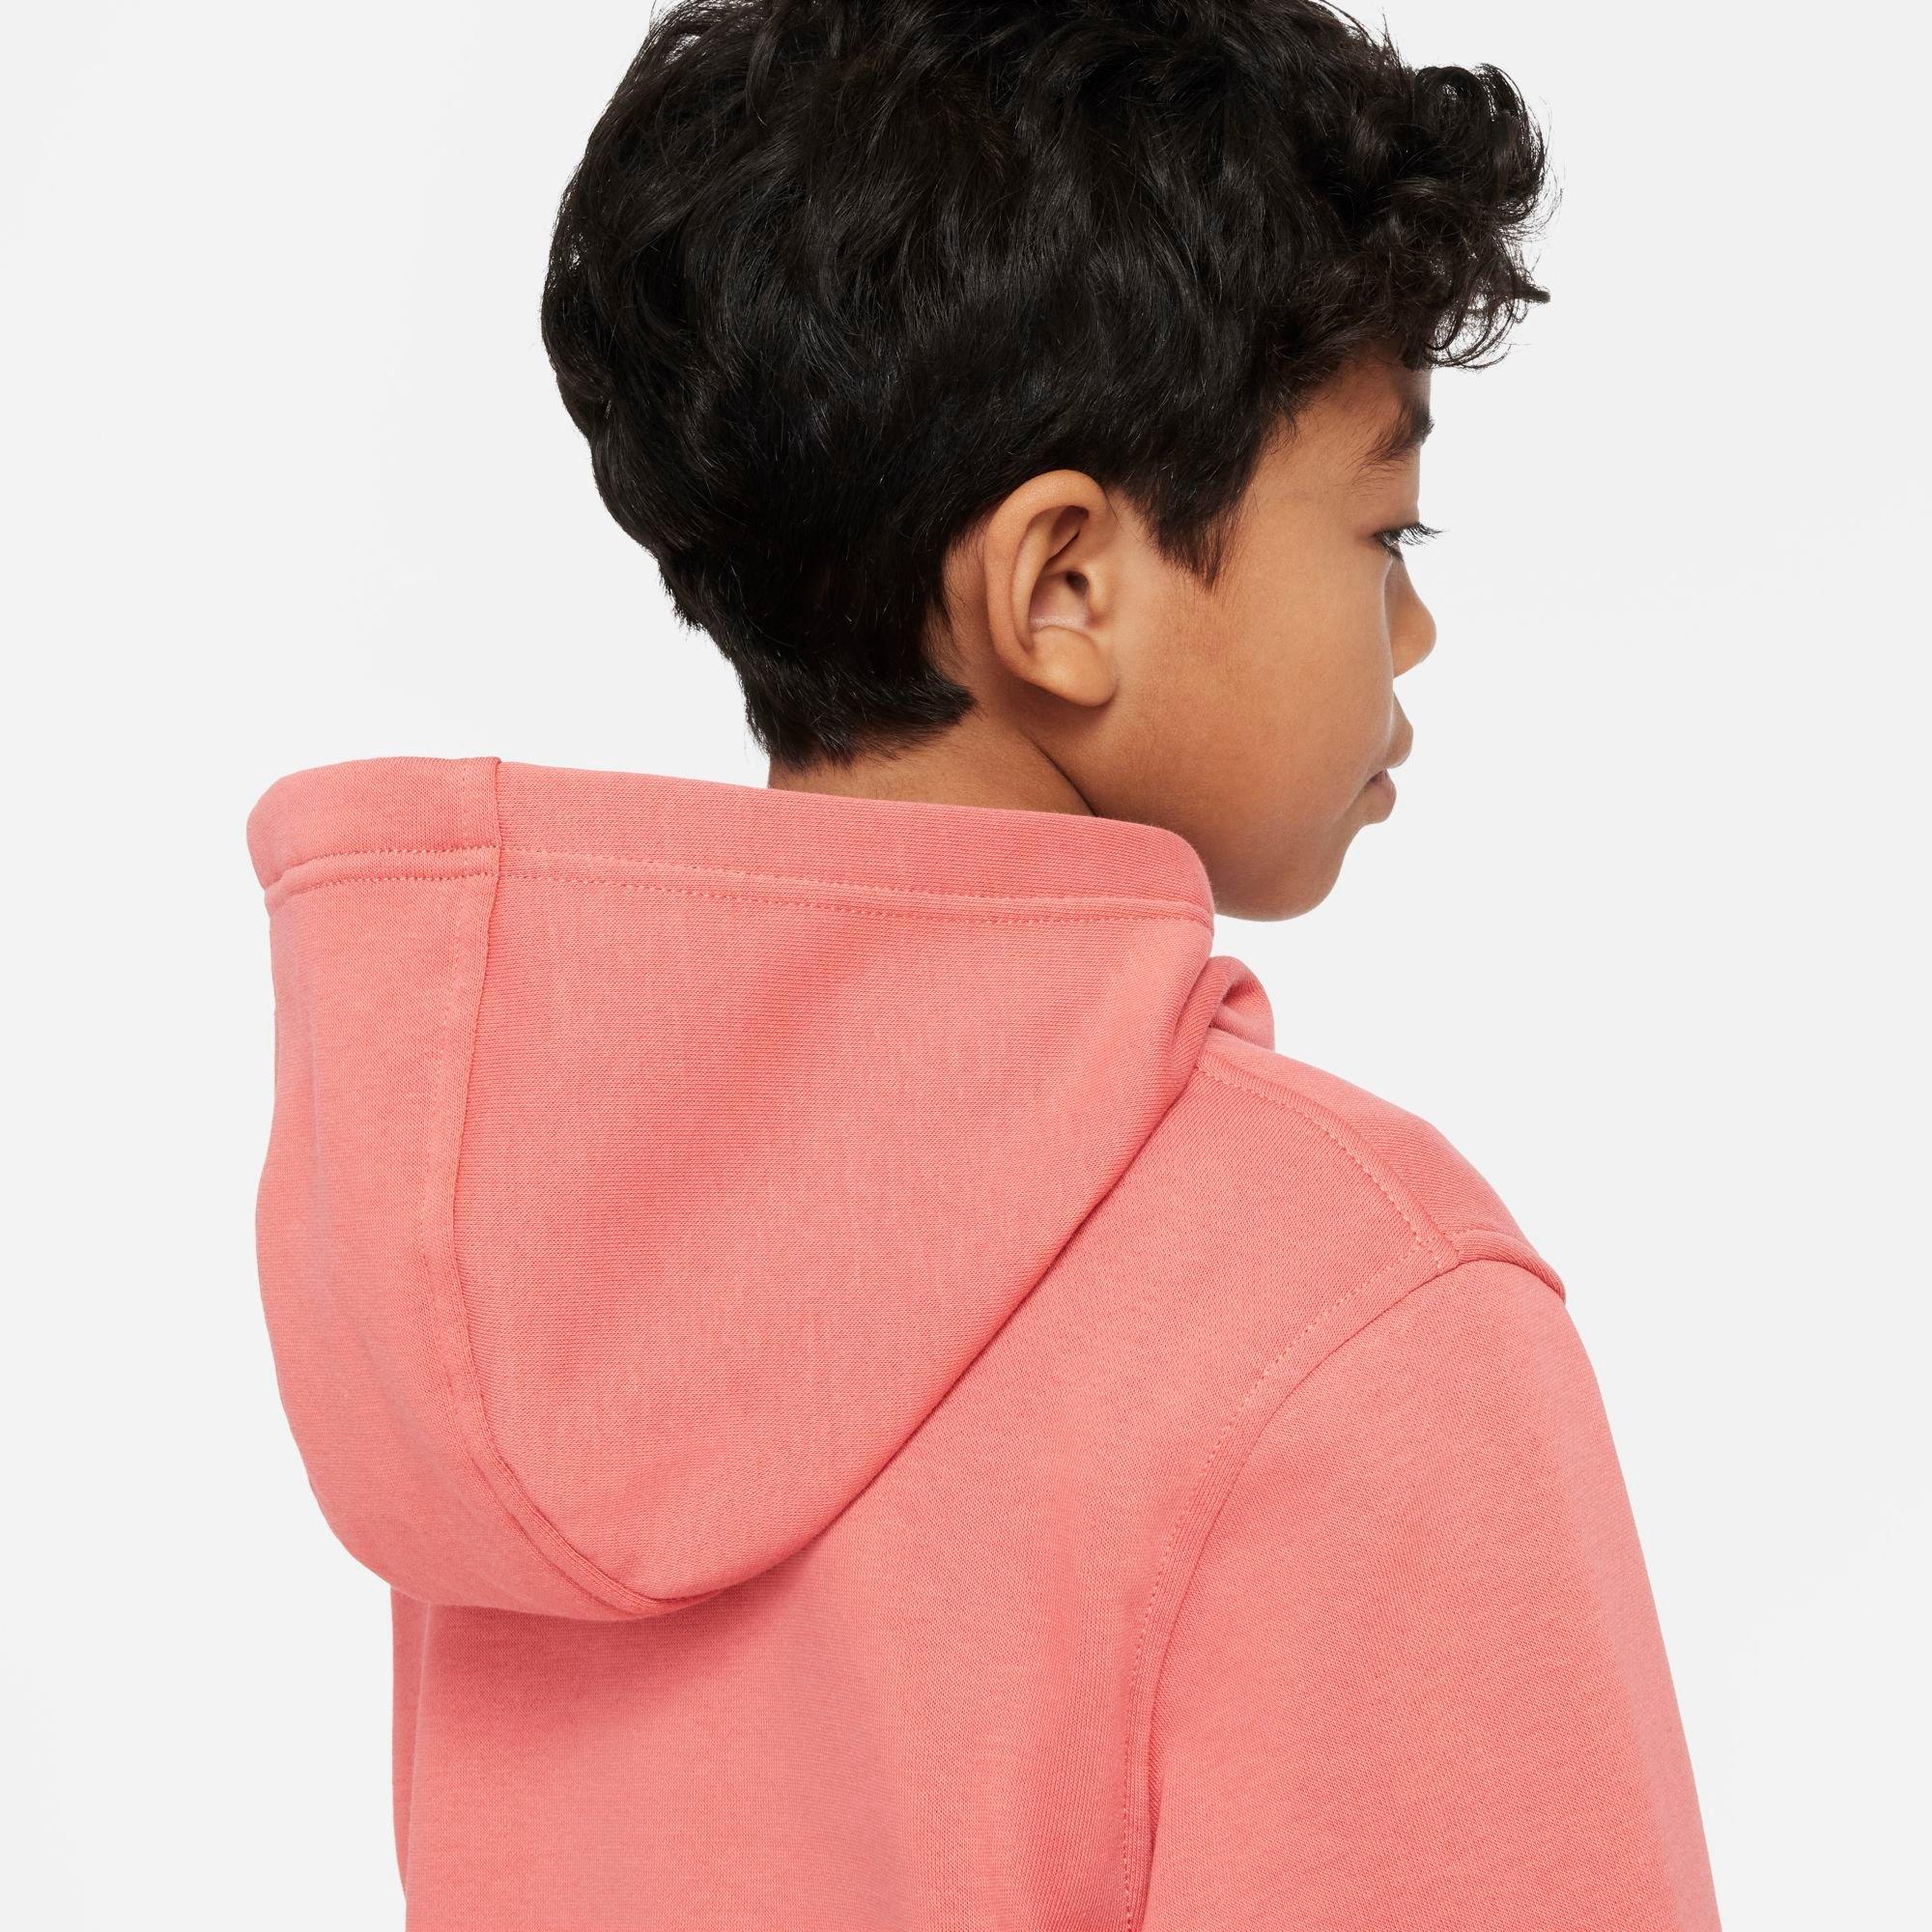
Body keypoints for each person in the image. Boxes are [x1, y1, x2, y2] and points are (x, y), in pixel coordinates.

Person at [245, 3, 1724, 1925]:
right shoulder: (1354, 1304)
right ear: (1063, 588)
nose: (1416, 624)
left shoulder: (524, 1254)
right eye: (1385, 526)